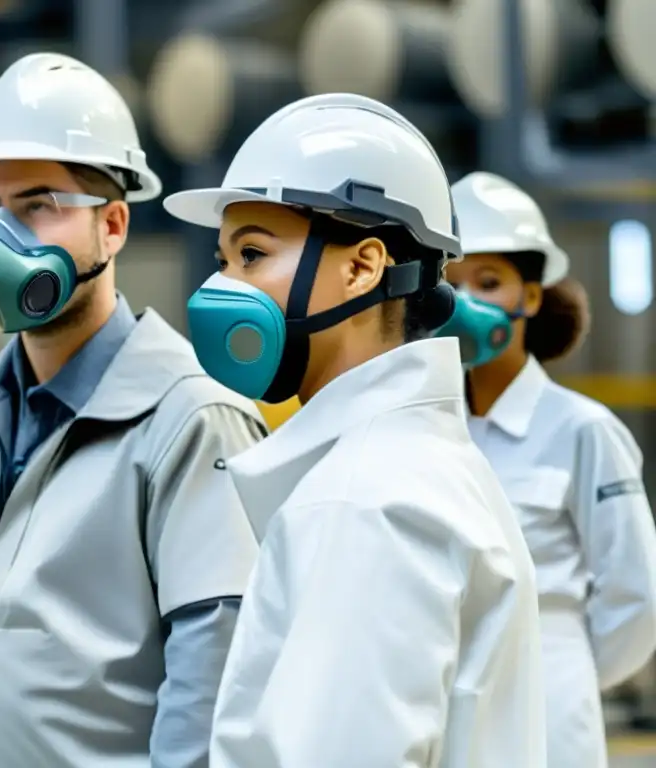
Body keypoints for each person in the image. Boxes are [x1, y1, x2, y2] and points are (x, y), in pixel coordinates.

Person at [0, 52, 266, 768]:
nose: (3, 239)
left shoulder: (190, 423)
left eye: (39, 205)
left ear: (113, 226)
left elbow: (209, 686)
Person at [163, 93, 547, 767]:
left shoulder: (364, 501)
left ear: (362, 268)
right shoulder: (409, 468)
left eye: (251, 255)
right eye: (223, 259)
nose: (220, 288)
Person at [438, 170, 656, 768]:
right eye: (451, 283)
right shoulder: (428, 428)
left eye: (489, 282)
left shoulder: (581, 430)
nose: (467, 303)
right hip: (444, 685)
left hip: (551, 687)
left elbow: (636, 596)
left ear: (531, 296)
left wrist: (567, 664)